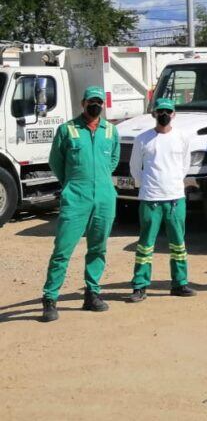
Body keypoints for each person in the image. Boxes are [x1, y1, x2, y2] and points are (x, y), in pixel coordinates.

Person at [40, 86, 120, 322]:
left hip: (104, 197)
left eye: (98, 102)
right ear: (82, 103)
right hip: (76, 196)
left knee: (98, 248)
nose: (94, 106)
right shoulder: (67, 130)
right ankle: (50, 298)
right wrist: (72, 183)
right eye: (90, 102)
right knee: (62, 250)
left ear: (102, 105)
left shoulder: (111, 131)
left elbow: (113, 160)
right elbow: (55, 161)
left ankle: (92, 293)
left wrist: (100, 178)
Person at [127, 98, 196, 302]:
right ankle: (140, 286)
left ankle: (180, 283)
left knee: (178, 244)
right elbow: (134, 168)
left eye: (168, 111)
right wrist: (148, 185)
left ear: (174, 114)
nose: (164, 115)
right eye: (160, 111)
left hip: (175, 198)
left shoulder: (182, 138)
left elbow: (185, 165)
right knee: (145, 245)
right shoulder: (142, 139)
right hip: (150, 199)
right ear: (154, 114)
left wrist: (173, 183)